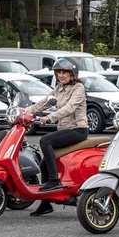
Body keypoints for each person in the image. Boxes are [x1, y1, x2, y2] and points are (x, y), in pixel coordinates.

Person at [27, 57, 89, 216]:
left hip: (78, 129)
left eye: (64, 72)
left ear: (72, 73)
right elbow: (44, 102)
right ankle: (46, 204)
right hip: (65, 129)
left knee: (45, 140)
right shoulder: (59, 88)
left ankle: (54, 180)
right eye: (59, 72)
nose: (61, 75)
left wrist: (50, 117)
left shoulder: (78, 88)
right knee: (43, 165)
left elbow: (70, 107)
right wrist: (25, 111)